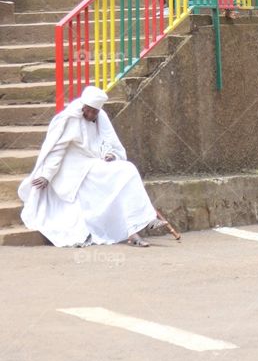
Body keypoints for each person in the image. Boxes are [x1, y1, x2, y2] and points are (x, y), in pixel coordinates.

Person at [18, 86, 170, 247]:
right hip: (72, 169)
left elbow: (108, 142)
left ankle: (139, 224)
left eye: (94, 112)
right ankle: (140, 222)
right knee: (125, 172)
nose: (90, 115)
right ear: (83, 105)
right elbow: (57, 150)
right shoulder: (69, 118)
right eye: (88, 110)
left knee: (128, 170)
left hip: (93, 163)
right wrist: (47, 175)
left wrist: (111, 154)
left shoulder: (101, 116)